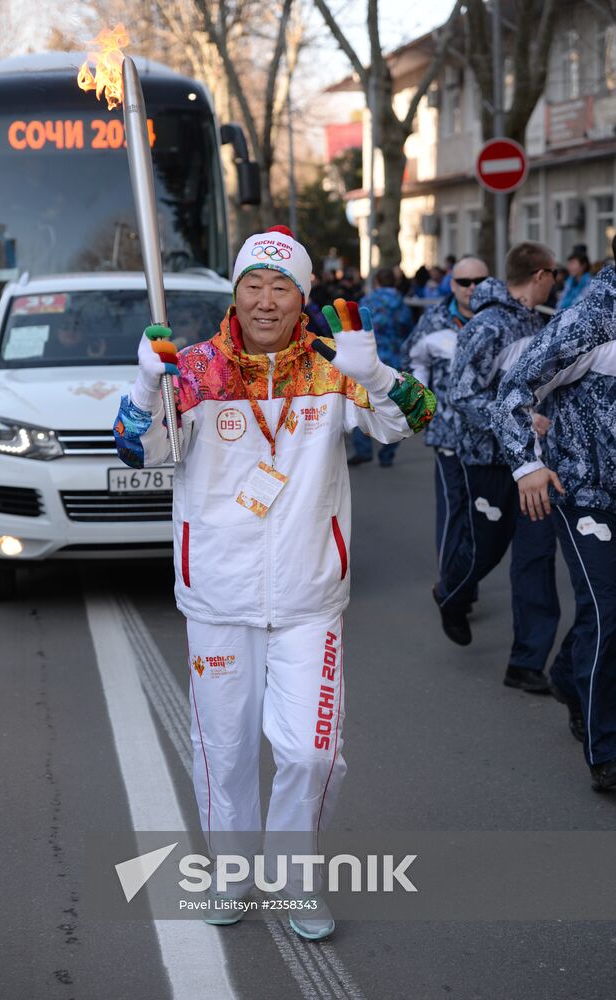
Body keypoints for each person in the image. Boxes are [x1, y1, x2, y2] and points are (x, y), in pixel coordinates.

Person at [113, 224, 436, 939]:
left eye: (281, 286)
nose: (266, 300)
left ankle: (295, 882)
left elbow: (415, 420)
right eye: (253, 285)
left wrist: (377, 376)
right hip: (218, 599)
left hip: (308, 599)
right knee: (224, 753)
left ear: (304, 294)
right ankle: (229, 874)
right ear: (236, 292)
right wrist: (144, 385)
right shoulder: (193, 370)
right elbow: (138, 448)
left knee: (312, 752)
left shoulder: (331, 366)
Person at [493, 243, 616, 792]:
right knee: (608, 610)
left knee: (604, 616)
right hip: (586, 490)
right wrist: (526, 467)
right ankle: (606, 751)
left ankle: (569, 672)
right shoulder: (591, 318)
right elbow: (511, 391)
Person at [441, 242, 563, 692]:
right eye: (553, 273)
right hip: (488, 458)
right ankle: (452, 596)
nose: (556, 280)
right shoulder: (487, 325)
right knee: (484, 550)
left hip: (533, 462)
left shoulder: (540, 321)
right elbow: (463, 394)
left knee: (536, 555)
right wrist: (517, 418)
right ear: (538, 274)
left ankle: (526, 662)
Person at [400, 256, 489, 617]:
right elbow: (412, 363)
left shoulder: (497, 319)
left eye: (479, 281)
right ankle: (453, 586)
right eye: (464, 281)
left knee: (482, 516)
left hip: (489, 438)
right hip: (449, 435)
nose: (472, 288)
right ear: (452, 284)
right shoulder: (433, 321)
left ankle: (465, 580)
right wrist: (423, 405)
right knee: (455, 512)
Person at [348, 267, 414, 467]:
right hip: (394, 359)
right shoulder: (401, 303)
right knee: (395, 408)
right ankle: (388, 452)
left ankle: (363, 448)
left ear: (376, 281)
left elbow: (356, 328)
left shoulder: (367, 301)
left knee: (362, 403)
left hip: (369, 359)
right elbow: (408, 328)